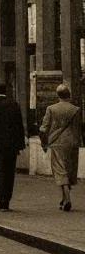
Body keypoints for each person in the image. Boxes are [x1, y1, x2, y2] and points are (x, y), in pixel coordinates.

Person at [39, 83, 82, 211]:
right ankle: (64, 198)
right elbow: (79, 127)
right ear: (69, 95)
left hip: (57, 141)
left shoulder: (51, 109)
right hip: (72, 142)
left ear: (58, 95)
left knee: (59, 169)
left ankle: (67, 198)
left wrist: (44, 142)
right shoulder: (76, 109)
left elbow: (44, 128)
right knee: (69, 168)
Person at [0, 81, 25, 211]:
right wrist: (20, 144)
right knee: (9, 172)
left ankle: (1, 197)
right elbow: (19, 125)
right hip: (11, 145)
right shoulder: (13, 104)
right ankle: (7, 199)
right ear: (6, 90)